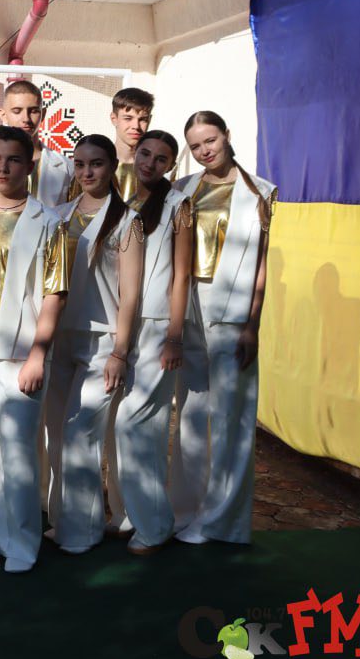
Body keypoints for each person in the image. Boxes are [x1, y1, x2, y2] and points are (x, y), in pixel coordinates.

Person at [0, 126, 70, 574]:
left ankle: (22, 541)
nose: (3, 167)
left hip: (21, 351)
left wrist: (39, 354)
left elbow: (54, 293)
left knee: (19, 450)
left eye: (13, 159)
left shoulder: (49, 221)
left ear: (29, 165)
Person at [171, 111, 276, 546]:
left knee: (232, 420)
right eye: (196, 146)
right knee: (191, 417)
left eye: (210, 140)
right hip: (190, 310)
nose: (204, 151)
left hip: (233, 316)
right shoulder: (182, 189)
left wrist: (253, 324)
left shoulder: (260, 192)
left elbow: (262, 264)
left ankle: (222, 521)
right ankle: (188, 510)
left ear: (227, 135)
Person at [45, 135, 144, 555]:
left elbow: (131, 293)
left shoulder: (127, 221)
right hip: (59, 338)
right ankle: (64, 519)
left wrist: (120, 351)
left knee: (80, 433)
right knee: (56, 435)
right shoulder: (58, 215)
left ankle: (84, 530)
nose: (87, 172)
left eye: (97, 163)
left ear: (112, 167)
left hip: (102, 341)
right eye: (81, 164)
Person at [114, 130, 192, 554]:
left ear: (171, 166)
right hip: (126, 323)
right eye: (145, 153)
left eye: (161, 159)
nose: (150, 163)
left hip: (160, 325)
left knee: (133, 422)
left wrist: (175, 336)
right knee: (143, 428)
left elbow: (181, 276)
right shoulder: (123, 200)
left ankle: (155, 524)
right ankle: (140, 514)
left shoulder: (179, 205)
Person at [0, 82, 73, 207]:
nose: (26, 119)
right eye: (17, 111)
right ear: (3, 115)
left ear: (43, 114)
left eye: (33, 111)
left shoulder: (66, 168)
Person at [109, 88, 156, 201]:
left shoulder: (157, 168)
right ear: (114, 119)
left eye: (143, 119)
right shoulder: (95, 166)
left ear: (149, 120)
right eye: (128, 118)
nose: (136, 126)